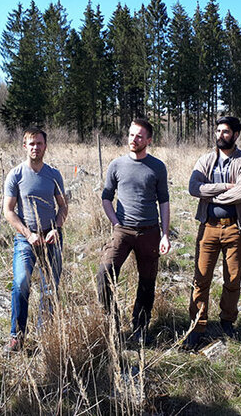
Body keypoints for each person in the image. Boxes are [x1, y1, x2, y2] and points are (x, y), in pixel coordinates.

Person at [185, 116, 241, 349]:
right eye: (217, 131)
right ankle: (197, 325)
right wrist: (224, 187)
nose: (220, 135)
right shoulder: (206, 160)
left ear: (236, 135)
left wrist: (209, 193)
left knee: (233, 278)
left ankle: (227, 321)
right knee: (201, 278)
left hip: (236, 227)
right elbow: (193, 188)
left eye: (225, 132)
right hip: (208, 226)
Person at [96, 119, 170, 343]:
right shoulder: (116, 165)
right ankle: (114, 325)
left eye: (139, 136)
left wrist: (165, 234)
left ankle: (140, 328)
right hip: (123, 231)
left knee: (147, 281)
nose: (133, 139)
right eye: (131, 135)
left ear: (148, 140)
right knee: (104, 272)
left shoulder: (157, 167)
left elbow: (164, 202)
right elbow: (106, 198)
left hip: (149, 232)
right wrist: (115, 222)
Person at [3, 127, 68, 352]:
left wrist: (56, 229)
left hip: (52, 237)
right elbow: (9, 211)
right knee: (21, 282)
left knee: (50, 287)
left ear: (45, 146)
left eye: (39, 143)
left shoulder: (53, 174)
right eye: (31, 144)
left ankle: (45, 335)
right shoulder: (16, 175)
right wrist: (28, 234)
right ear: (24, 146)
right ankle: (17, 336)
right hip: (26, 237)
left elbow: (63, 206)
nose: (35, 148)